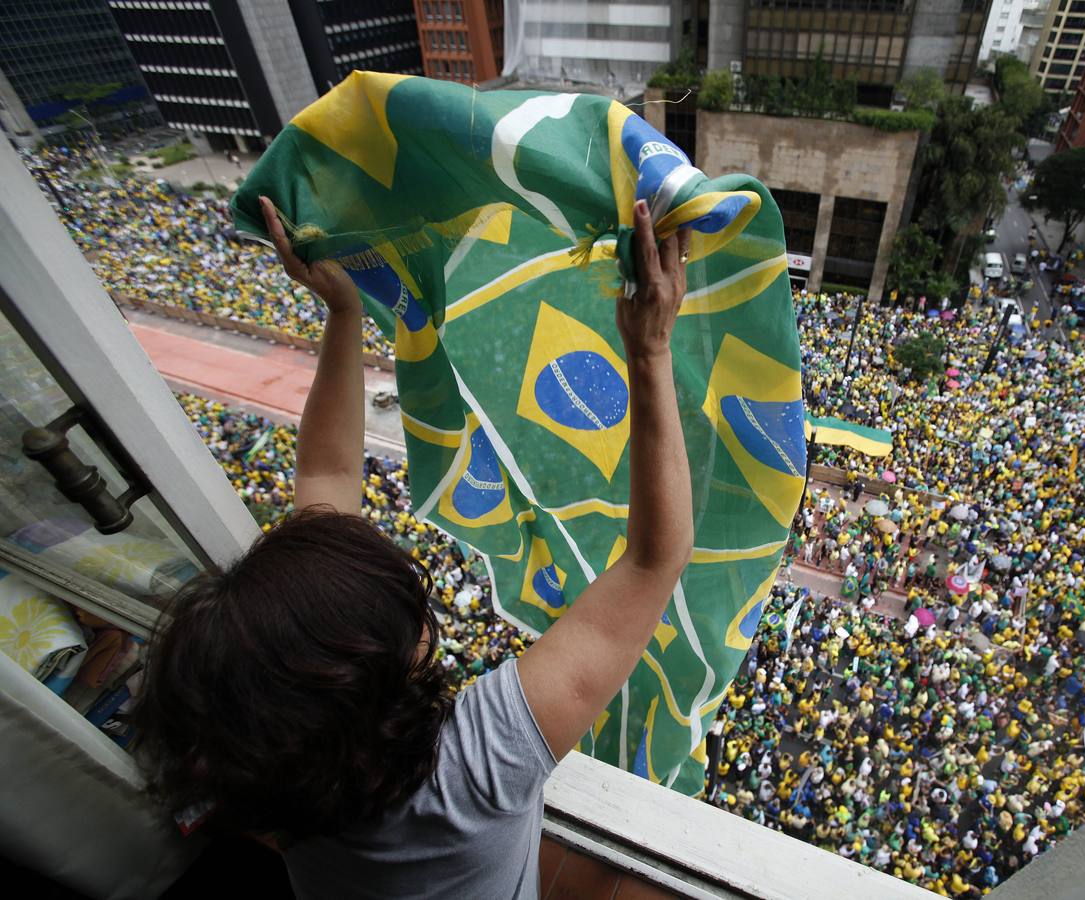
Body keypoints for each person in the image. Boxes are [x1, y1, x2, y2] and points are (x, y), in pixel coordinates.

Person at [134, 197, 694, 899]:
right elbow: (654, 557)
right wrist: (649, 350)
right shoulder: (481, 767)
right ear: (401, 662)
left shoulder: (279, 779)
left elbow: (326, 476)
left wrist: (342, 315)